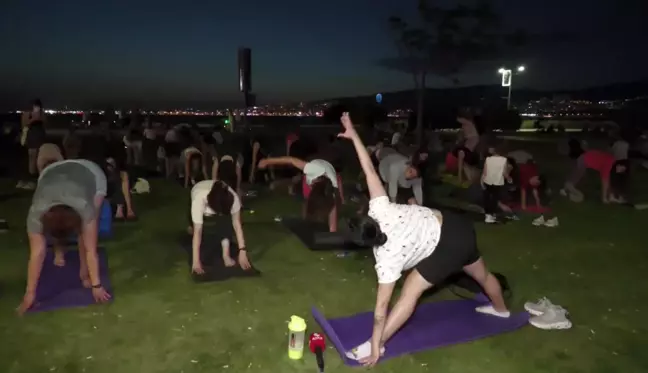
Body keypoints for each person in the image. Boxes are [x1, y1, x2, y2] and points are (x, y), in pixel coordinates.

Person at [336, 112, 509, 366]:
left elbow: (380, 311)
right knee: (481, 274)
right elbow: (369, 168)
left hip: (447, 244)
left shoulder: (386, 258)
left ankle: (379, 345)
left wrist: (374, 345)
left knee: (409, 292)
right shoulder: (380, 208)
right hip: (457, 225)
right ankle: (502, 310)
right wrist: (353, 135)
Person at [17, 159, 111, 315]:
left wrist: (96, 285)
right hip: (52, 172)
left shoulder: (84, 207)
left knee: (87, 233)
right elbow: (37, 254)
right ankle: (59, 251)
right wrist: (30, 294)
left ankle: (84, 272)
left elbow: (91, 249)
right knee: (59, 231)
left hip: (90, 173)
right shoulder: (36, 213)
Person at [258, 156, 343, 232]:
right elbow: (290, 160)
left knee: (329, 209)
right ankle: (308, 222)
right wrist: (267, 161)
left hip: (328, 180)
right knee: (308, 205)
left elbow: (334, 209)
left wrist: (333, 230)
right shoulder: (312, 169)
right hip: (318, 170)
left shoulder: (333, 186)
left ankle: (314, 219)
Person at [188, 180, 251, 273]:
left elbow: (237, 224)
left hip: (218, 200)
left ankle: (226, 256)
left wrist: (242, 251)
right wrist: (196, 262)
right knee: (196, 229)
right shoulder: (199, 198)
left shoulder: (233, 199)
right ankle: (190, 227)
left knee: (225, 223)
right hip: (199, 190)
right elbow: (198, 231)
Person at [561, 149, 628, 203]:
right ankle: (566, 191)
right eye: (621, 168)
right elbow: (605, 181)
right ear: (618, 165)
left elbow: (608, 181)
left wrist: (611, 196)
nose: (620, 171)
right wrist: (604, 198)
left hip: (586, 158)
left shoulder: (612, 163)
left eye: (622, 170)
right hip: (584, 160)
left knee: (577, 178)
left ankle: (566, 190)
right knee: (575, 179)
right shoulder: (610, 164)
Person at [18, 99, 47, 190]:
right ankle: (31, 179)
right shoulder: (28, 114)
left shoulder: (41, 114)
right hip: (31, 137)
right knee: (31, 157)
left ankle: (34, 179)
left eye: (37, 106)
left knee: (37, 157)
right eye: (35, 106)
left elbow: (44, 123)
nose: (36, 108)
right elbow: (25, 124)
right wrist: (32, 118)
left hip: (38, 137)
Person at [481, 146, 511, 223]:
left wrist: (482, 181)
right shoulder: (504, 160)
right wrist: (509, 178)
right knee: (495, 199)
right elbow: (504, 173)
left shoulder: (488, 159)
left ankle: (488, 215)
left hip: (488, 181)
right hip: (497, 182)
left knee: (487, 198)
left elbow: (485, 172)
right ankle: (492, 214)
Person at [455, 116, 480, 184]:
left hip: (472, 145)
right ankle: (469, 179)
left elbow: (460, 119)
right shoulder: (468, 131)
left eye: (463, 126)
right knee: (464, 164)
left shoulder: (470, 124)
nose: (463, 128)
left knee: (461, 154)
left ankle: (460, 177)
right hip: (470, 147)